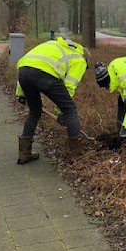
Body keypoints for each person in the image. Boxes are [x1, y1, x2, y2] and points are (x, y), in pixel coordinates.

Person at [15, 36, 88, 164]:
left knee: (34, 111)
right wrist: (61, 112)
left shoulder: (52, 45)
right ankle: (77, 155)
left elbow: (30, 64)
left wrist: (21, 94)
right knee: (70, 110)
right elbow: (69, 86)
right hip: (45, 74)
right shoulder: (79, 59)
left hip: (23, 71)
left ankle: (24, 153)